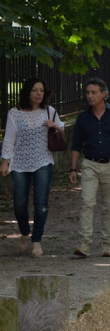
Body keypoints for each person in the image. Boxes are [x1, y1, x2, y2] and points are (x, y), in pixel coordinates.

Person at [1, 78, 64, 257]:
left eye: (41, 90)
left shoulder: (49, 111)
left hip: (43, 161)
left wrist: (55, 126)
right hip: (20, 163)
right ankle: (24, 231)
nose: (38, 93)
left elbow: (62, 129)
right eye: (35, 90)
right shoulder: (14, 113)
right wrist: (5, 161)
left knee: (41, 203)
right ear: (27, 92)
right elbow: (9, 138)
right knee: (20, 203)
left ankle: (36, 240)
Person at [69, 78, 110, 258]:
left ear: (103, 94)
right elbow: (76, 146)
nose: (90, 96)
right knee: (87, 203)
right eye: (88, 92)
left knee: (108, 207)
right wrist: (73, 169)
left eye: (93, 92)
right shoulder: (82, 118)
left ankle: (106, 244)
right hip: (89, 164)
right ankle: (85, 243)